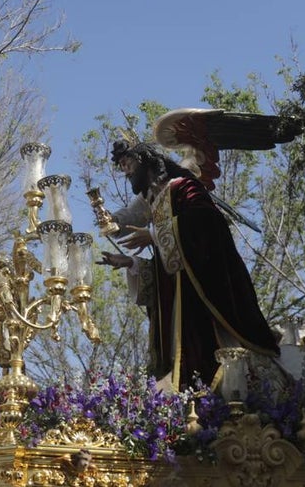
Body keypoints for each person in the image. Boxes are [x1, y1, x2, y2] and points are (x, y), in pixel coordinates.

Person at [99, 140, 280, 391]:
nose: (126, 172)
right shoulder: (155, 202)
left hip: (206, 300)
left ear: (143, 160)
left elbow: (207, 223)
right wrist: (131, 262)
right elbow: (169, 266)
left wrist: (153, 235)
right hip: (179, 307)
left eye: (127, 164)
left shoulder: (184, 187)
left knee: (223, 373)